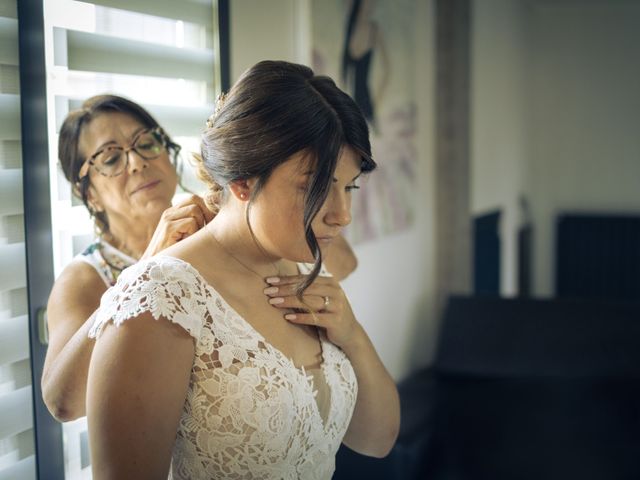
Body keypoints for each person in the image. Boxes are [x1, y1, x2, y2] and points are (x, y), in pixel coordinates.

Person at [86, 61, 400, 479]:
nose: (342, 216)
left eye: (349, 187)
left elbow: (376, 441)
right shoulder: (162, 297)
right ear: (244, 181)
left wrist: (353, 336)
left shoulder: (301, 267)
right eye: (316, 187)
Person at [41, 94, 360, 423]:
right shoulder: (84, 277)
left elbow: (345, 265)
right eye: (110, 159)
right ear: (89, 194)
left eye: (146, 143)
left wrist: (258, 210)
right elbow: (62, 403)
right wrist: (146, 267)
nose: (136, 162)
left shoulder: (215, 224)